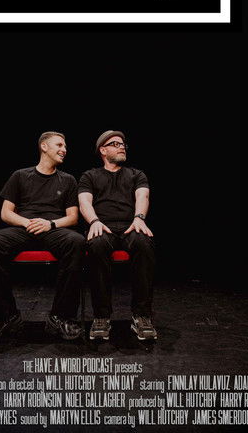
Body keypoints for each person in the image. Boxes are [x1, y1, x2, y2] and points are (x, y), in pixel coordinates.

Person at [0, 131, 85, 341]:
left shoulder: (68, 180)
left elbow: (73, 217)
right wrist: (27, 222)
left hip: (53, 228)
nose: (64, 150)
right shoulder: (20, 175)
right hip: (24, 227)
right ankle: (6, 315)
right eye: (59, 145)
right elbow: (6, 213)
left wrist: (50, 224)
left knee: (77, 242)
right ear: (44, 146)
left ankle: (61, 317)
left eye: (65, 146)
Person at [78, 130, 157, 341]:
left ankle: (142, 316)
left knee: (144, 244)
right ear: (103, 150)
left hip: (130, 225)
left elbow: (143, 196)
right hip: (102, 226)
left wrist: (139, 218)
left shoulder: (136, 174)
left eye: (123, 144)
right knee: (96, 246)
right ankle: (101, 317)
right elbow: (84, 202)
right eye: (115, 144)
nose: (121, 147)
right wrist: (94, 221)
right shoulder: (89, 176)